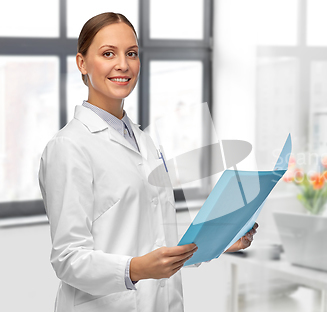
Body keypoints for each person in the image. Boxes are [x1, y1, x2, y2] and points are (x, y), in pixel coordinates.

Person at [38, 12, 258, 312]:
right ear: (82, 63)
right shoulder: (69, 146)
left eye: (131, 53)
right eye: (108, 54)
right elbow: (68, 259)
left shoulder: (145, 141)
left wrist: (216, 243)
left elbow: (156, 239)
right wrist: (136, 269)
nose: (123, 65)